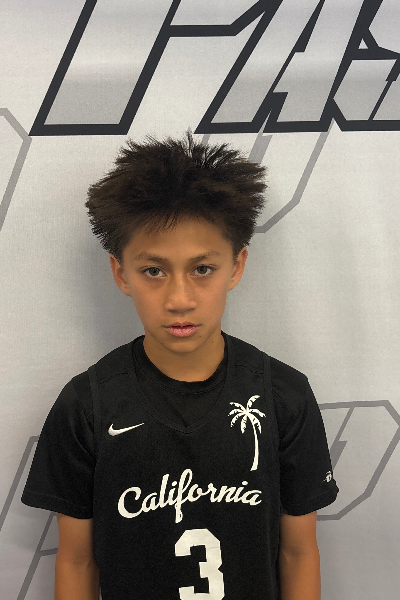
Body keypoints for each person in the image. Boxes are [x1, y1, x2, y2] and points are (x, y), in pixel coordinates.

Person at [21, 131, 338, 600]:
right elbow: (75, 560)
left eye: (202, 269)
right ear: (120, 272)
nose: (180, 299)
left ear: (236, 266)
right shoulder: (86, 406)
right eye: (154, 270)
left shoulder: (283, 395)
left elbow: (298, 553)